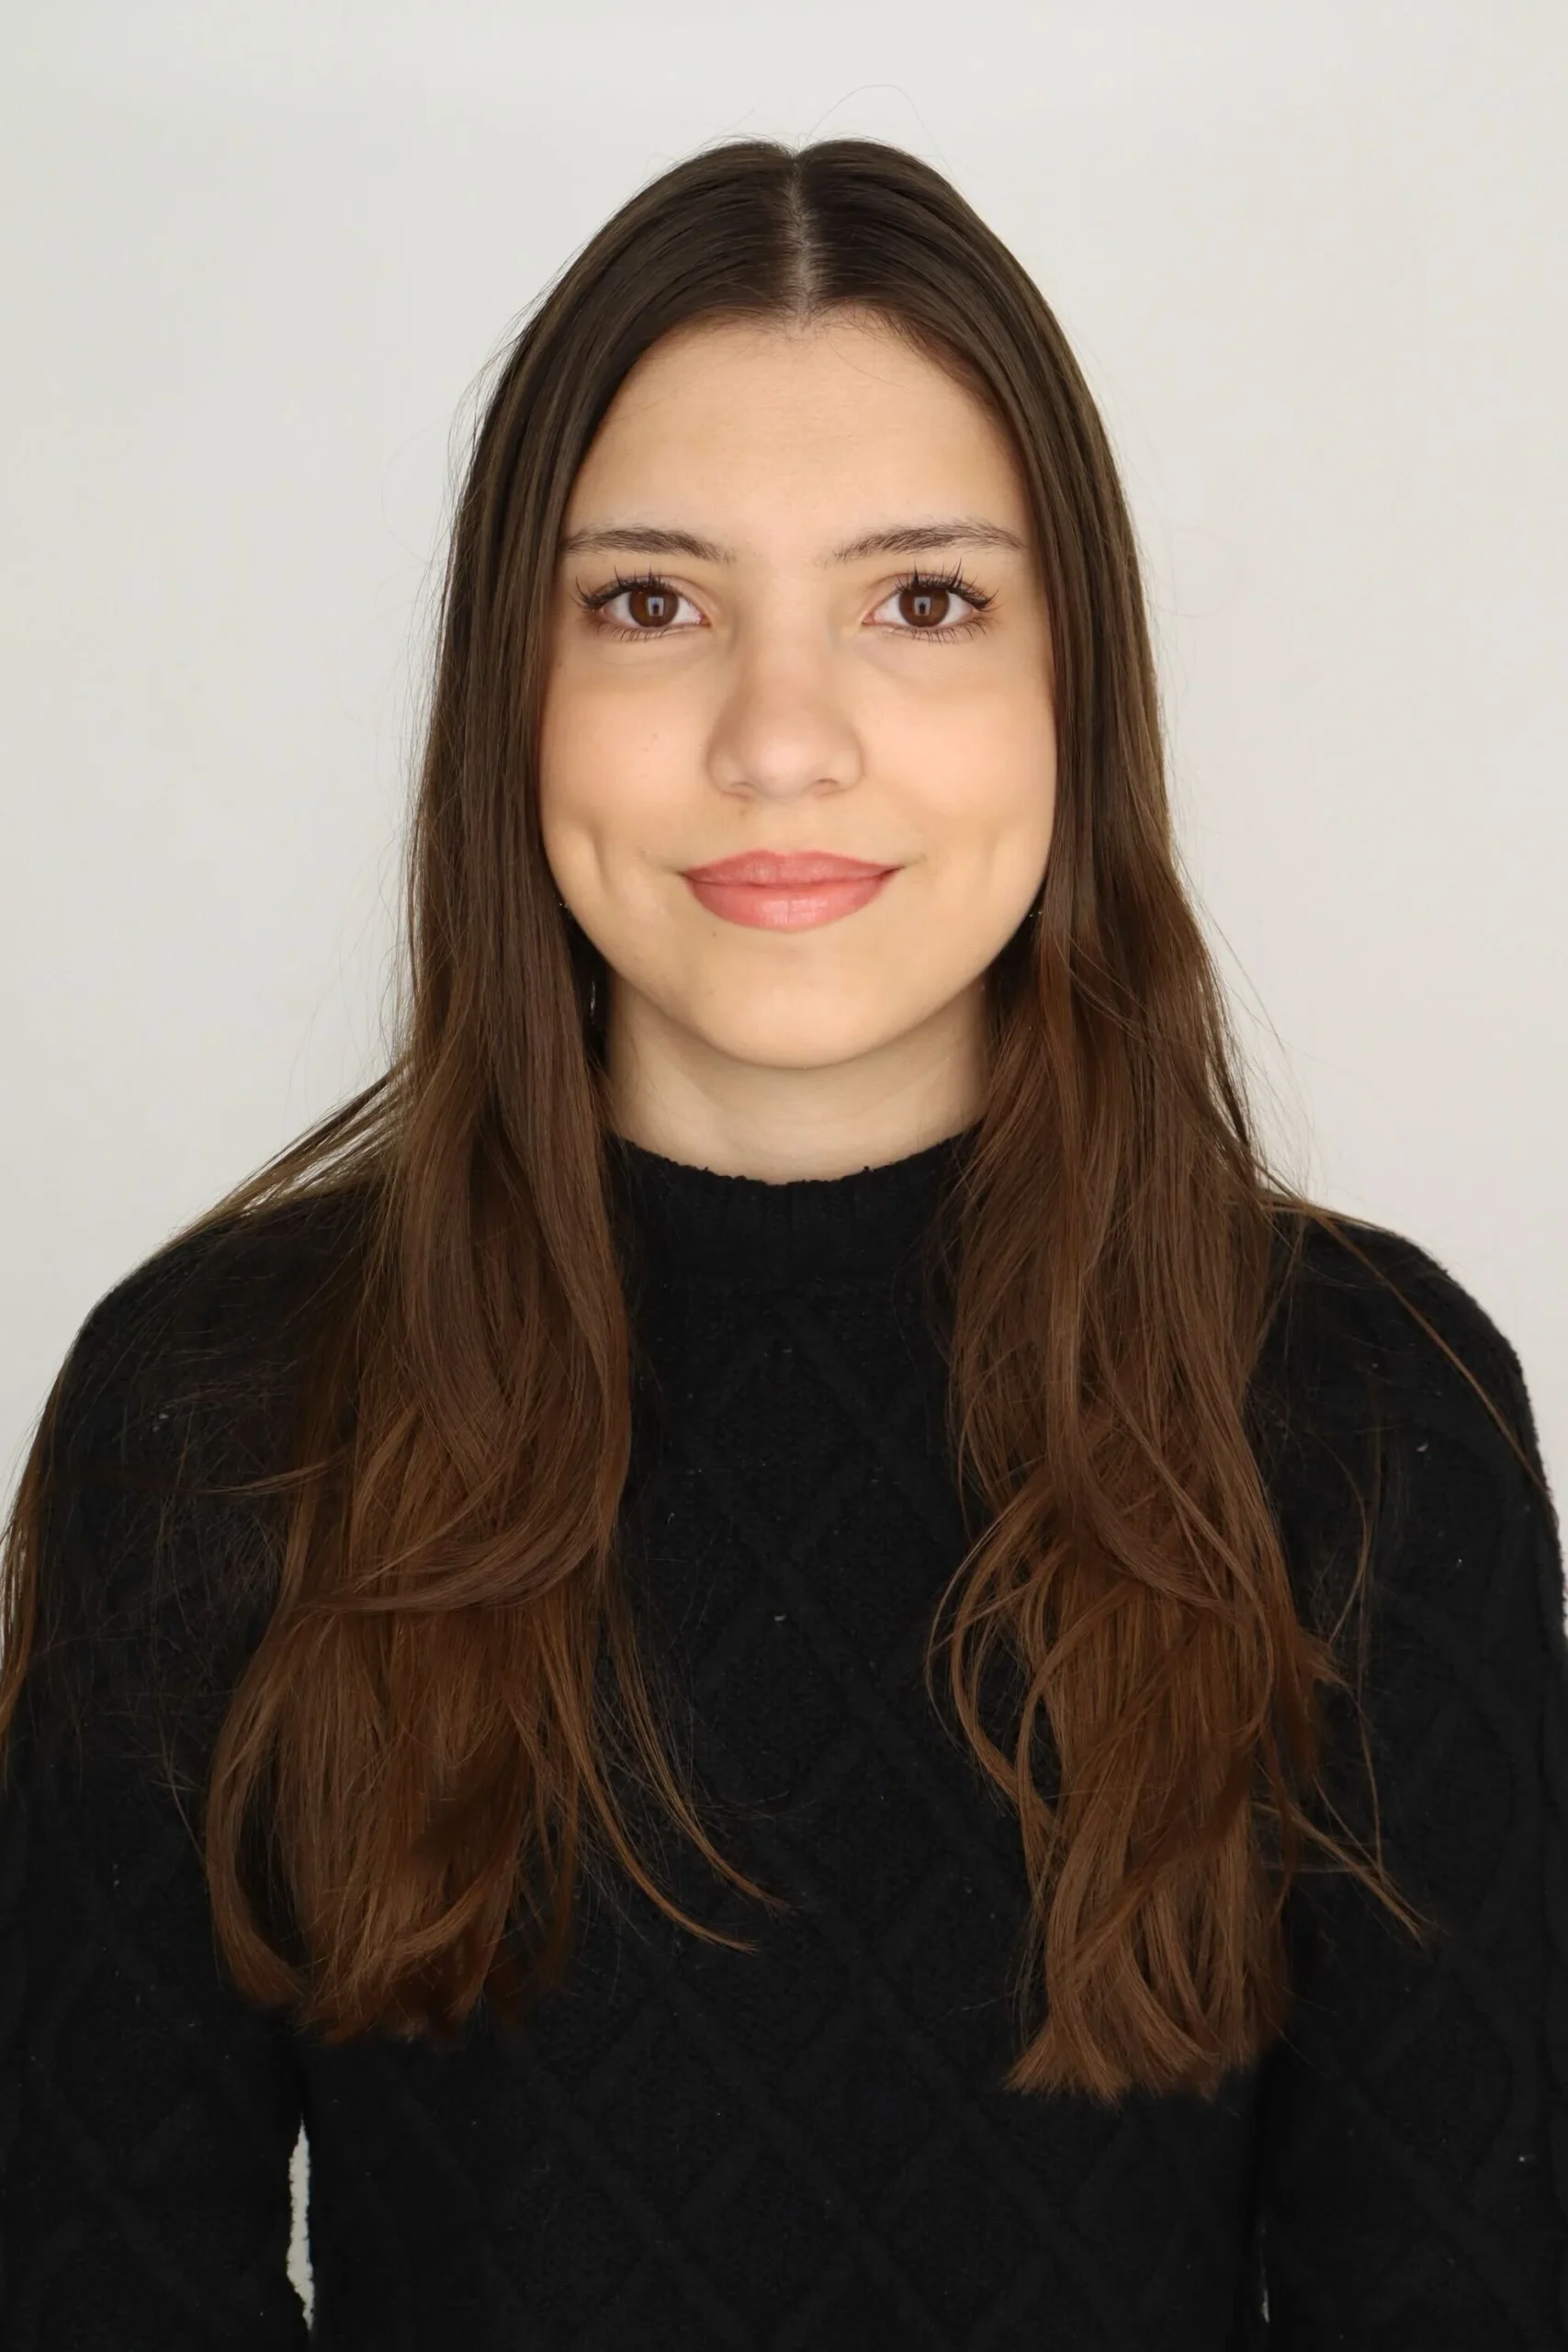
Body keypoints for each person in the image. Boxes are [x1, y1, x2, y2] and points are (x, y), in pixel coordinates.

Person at [1, 136, 1562, 2352]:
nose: (780, 742)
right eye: (651, 602)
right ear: (511, 683)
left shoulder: (1364, 1415)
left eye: (921, 599)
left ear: (1075, 681)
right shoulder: (211, 1414)